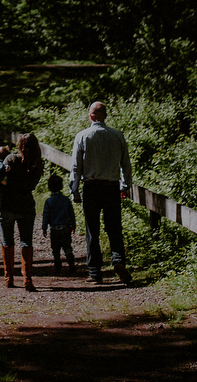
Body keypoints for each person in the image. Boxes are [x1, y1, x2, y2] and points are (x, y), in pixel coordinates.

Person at [69, 101, 133, 285]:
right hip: (111, 187)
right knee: (114, 227)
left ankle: (95, 272)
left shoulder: (82, 136)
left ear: (91, 116)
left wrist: (74, 191)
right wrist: (125, 186)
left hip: (91, 187)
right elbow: (126, 164)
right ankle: (118, 260)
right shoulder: (117, 136)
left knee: (92, 230)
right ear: (105, 115)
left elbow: (76, 167)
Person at [0, 133, 44, 291]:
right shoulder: (37, 164)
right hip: (26, 206)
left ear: (20, 145)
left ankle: (9, 277)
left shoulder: (11, 159)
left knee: (7, 241)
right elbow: (32, 186)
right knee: (26, 241)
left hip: (8, 205)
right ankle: (27, 279)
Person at [40, 173, 76, 275]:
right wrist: (73, 224)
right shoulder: (66, 200)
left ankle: (57, 265)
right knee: (67, 246)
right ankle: (71, 263)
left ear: (49, 187)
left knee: (55, 248)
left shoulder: (49, 201)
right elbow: (71, 213)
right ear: (61, 186)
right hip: (65, 227)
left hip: (54, 228)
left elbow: (46, 216)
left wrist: (44, 228)